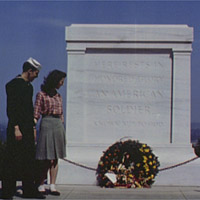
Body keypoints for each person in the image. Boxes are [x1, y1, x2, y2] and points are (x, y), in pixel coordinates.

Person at [1, 58, 45, 199]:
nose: (36, 76)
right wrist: (16, 127)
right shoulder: (13, 85)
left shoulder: (28, 87)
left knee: (28, 160)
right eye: (35, 73)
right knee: (12, 159)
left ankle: (28, 190)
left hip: (26, 127)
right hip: (17, 127)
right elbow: (12, 108)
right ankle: (8, 191)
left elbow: (28, 109)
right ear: (29, 71)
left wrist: (32, 128)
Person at [34, 69, 66, 196]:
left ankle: (52, 185)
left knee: (55, 157)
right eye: (61, 81)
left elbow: (61, 113)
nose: (62, 84)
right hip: (47, 123)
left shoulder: (58, 96)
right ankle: (41, 183)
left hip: (57, 125)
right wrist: (33, 126)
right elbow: (36, 112)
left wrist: (61, 126)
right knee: (44, 157)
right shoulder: (41, 94)